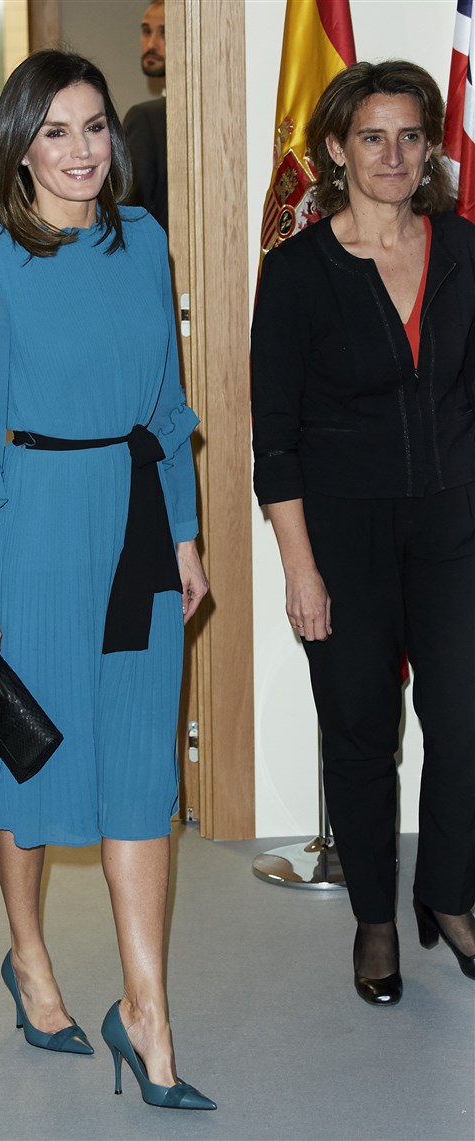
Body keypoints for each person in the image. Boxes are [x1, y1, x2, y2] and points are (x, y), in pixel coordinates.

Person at [0, 49, 214, 1111]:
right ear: (20, 146)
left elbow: (169, 411)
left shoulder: (144, 241)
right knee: (31, 754)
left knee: (140, 766)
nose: (82, 149)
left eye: (95, 125)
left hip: (138, 525)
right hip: (37, 530)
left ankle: (146, 1012)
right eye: (54, 131)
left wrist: (185, 535)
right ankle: (29, 955)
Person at [251, 60, 475, 1006]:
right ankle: (375, 918)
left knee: (464, 720)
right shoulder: (297, 272)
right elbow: (275, 441)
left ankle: (449, 894)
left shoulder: (463, 249)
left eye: (411, 136)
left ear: (430, 148)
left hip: (455, 523)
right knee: (360, 729)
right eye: (372, 137)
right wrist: (299, 569)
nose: (394, 155)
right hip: (341, 534)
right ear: (337, 150)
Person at [123, 1, 168, 232]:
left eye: (164, 33)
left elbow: (129, 213)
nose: (151, 44)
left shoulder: (145, 119)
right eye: (146, 31)